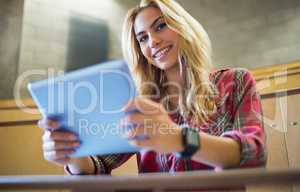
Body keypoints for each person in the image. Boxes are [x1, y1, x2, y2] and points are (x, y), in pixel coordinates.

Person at [38, 0, 266, 175]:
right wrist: (70, 153)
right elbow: (96, 165)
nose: (153, 41)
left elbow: (253, 153)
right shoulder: (139, 102)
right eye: (143, 38)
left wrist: (179, 139)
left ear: (182, 26)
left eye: (161, 26)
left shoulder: (235, 82)